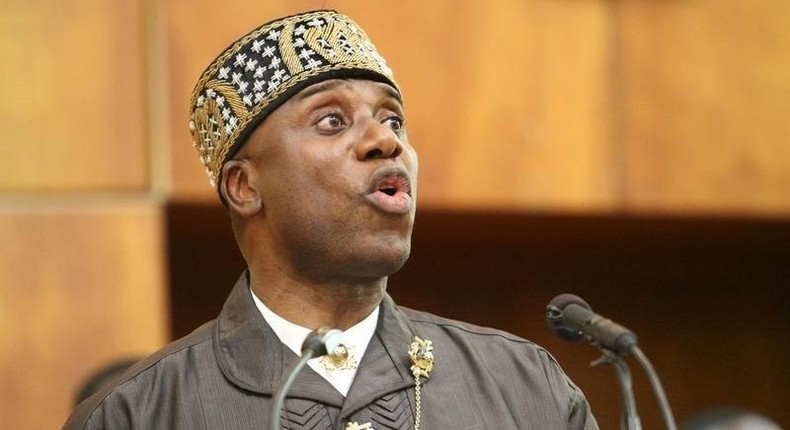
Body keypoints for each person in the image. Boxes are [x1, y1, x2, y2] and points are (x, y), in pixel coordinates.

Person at [63, 10, 598, 429]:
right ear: (244, 187)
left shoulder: (524, 387)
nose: (385, 141)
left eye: (392, 118)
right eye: (332, 121)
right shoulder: (137, 414)